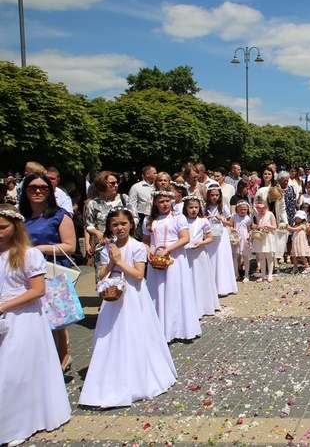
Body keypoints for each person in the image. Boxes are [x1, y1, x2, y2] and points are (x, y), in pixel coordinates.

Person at [79, 207, 177, 408]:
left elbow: (138, 275)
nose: (119, 228)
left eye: (123, 223)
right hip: (113, 295)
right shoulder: (107, 248)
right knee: (111, 334)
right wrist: (111, 262)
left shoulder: (138, 246)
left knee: (134, 331)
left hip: (133, 295)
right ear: (109, 228)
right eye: (114, 225)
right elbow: (101, 275)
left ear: (131, 224)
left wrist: (118, 262)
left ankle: (138, 376)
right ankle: (110, 376)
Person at [0, 205, 71, 446]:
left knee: (15, 370)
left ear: (15, 228)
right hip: (5, 314)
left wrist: (3, 306)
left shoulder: (28, 255)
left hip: (23, 317)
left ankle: (20, 424)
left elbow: (38, 290)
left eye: (3, 227)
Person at [19, 172, 78, 371]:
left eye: (43, 188)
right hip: (25, 273)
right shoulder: (21, 217)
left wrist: (38, 249)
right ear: (25, 191)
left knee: (54, 318)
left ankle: (62, 358)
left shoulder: (59, 215)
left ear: (50, 191)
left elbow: (70, 246)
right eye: (32, 188)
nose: (37, 191)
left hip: (52, 272)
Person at [143, 190, 201, 343]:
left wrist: (168, 250)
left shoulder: (178, 217)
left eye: (167, 201)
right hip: (156, 259)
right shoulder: (149, 220)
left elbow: (185, 238)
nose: (165, 204)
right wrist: (149, 251)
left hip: (174, 258)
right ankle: (159, 328)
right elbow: (146, 240)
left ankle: (178, 328)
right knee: (158, 292)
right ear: (155, 203)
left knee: (174, 291)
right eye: (161, 201)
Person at [183, 196, 220, 317]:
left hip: (200, 253)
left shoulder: (203, 221)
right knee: (189, 277)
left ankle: (204, 305)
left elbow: (209, 238)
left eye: (196, 207)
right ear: (186, 208)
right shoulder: (182, 220)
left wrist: (201, 243)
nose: (193, 210)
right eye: (190, 207)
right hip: (186, 253)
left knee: (201, 278)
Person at [251, 197, 277, 282]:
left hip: (268, 236)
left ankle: (270, 274)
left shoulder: (270, 214)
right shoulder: (257, 215)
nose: (261, 210)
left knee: (269, 256)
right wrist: (256, 226)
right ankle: (263, 275)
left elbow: (274, 226)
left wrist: (266, 225)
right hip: (260, 237)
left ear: (266, 207)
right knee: (261, 256)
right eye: (259, 209)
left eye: (263, 208)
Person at [128, 165, 157, 235]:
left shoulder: (157, 186)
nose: (157, 175)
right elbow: (132, 204)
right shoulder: (136, 187)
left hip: (156, 216)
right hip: (142, 217)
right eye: (154, 173)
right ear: (147, 174)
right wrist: (135, 220)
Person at [231, 200, 254, 282]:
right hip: (236, 237)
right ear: (238, 209)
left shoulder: (248, 218)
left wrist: (248, 238)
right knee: (235, 256)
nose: (243, 211)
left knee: (245, 256)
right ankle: (235, 274)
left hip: (244, 237)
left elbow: (250, 230)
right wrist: (232, 229)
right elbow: (231, 225)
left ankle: (246, 274)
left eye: (245, 209)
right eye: (241, 209)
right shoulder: (234, 216)